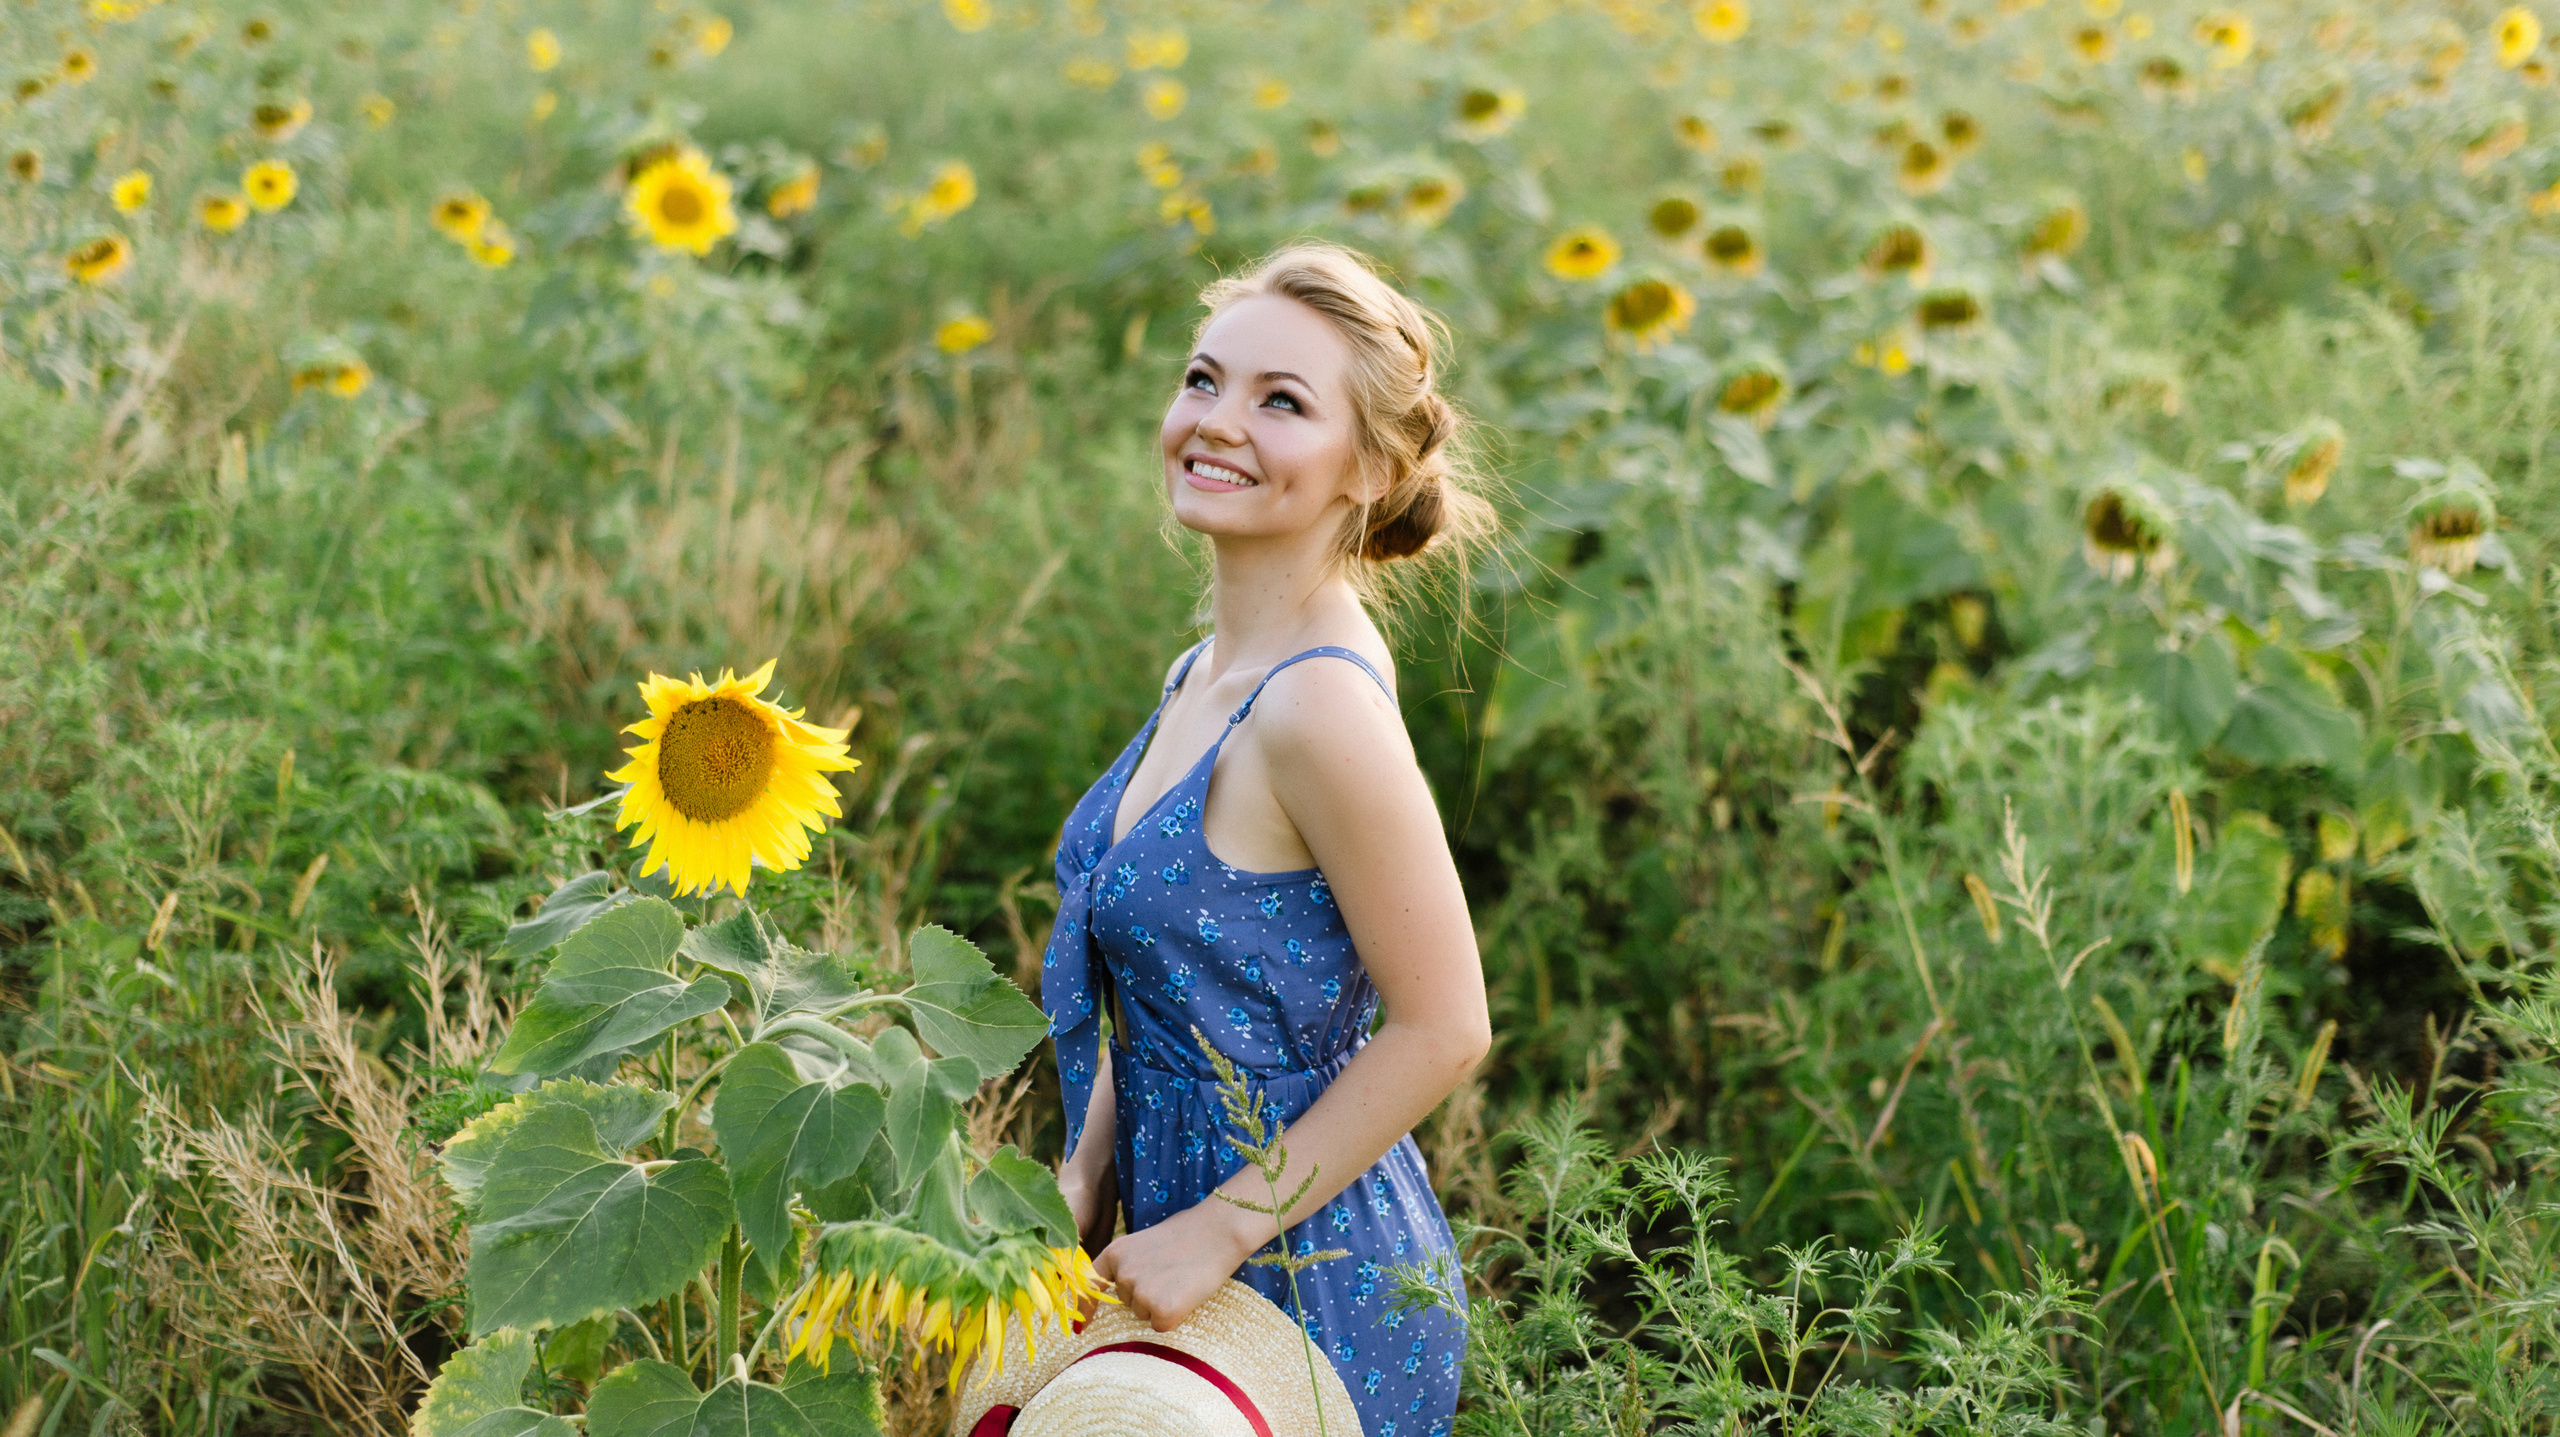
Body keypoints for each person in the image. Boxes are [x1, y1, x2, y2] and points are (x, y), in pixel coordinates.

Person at [1041, 241, 1496, 1437]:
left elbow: (1445, 1024)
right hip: (1156, 1235)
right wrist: (1084, 1176)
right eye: (1205, 380)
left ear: (1370, 468)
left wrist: (1222, 1225)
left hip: (1306, 1272)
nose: (1217, 423)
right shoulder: (1207, 670)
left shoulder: (1316, 706)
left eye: (1281, 403)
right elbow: (1151, 992)